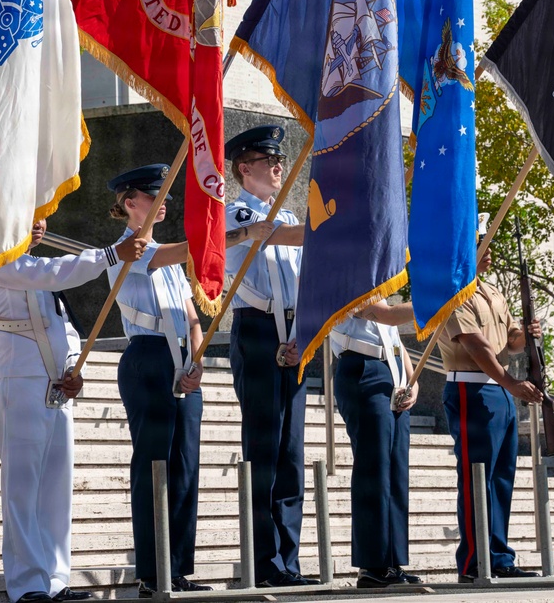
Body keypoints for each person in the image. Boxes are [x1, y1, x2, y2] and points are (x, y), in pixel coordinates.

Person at [0, 218, 148, 603]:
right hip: (18, 381)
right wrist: (109, 255)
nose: (37, 224)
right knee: (22, 488)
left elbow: (62, 328)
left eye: (40, 217)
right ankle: (27, 584)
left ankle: (54, 578)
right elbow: (53, 273)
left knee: (56, 488)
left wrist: (73, 370)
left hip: (54, 385)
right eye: (26, 218)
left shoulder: (35, 275)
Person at [104, 164, 212, 599]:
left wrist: (198, 358)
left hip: (182, 360)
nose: (164, 201)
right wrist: (227, 237)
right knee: (154, 466)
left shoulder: (166, 256)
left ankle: (179, 566)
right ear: (131, 203)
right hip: (147, 359)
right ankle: (152, 570)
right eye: (154, 194)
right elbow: (180, 253)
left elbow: (191, 316)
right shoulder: (128, 249)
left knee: (185, 466)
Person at [223, 125, 315, 588]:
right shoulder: (234, 213)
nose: (279, 166)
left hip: (291, 334)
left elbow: (300, 279)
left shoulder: (291, 215)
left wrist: (303, 332)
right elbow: (280, 238)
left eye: (281, 160)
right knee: (264, 448)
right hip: (256, 332)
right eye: (269, 160)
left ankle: (288, 557)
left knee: (291, 453)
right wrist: (331, 225)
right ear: (244, 168)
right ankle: (264, 559)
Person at [437, 214, 543, 583]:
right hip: (470, 386)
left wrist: (527, 336)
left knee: (501, 477)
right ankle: (472, 562)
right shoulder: (453, 289)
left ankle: (499, 557)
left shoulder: (492, 291)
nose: (490, 252)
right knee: (475, 477)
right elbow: (475, 345)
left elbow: (509, 343)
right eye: (483, 242)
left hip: (497, 390)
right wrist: (511, 382)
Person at [329, 301, 423, 589]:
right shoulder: (346, 271)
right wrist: (437, 297)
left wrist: (413, 380)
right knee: (375, 468)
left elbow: (393, 336)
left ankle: (392, 561)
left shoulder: (380, 275)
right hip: (362, 366)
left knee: (395, 472)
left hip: (392, 371)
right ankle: (372, 564)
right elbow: (387, 315)